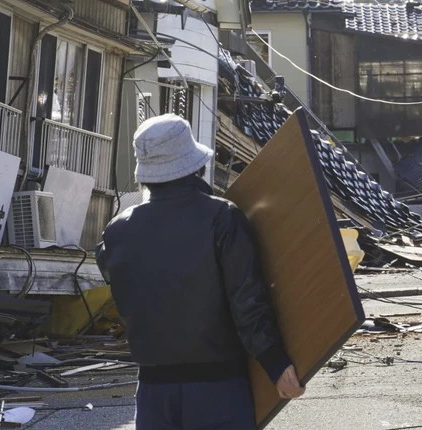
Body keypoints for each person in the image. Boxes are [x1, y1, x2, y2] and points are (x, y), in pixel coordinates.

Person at [96, 114, 304, 429]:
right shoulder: (222, 218)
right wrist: (276, 364)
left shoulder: (117, 231)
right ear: (195, 165)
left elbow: (114, 273)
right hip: (218, 389)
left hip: (152, 393)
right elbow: (247, 302)